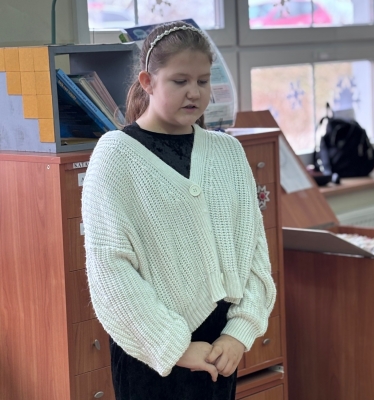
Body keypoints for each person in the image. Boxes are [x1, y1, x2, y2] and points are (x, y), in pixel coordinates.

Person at [81, 20, 276, 400]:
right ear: (148, 82)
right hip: (151, 351)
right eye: (180, 81)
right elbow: (110, 272)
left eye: (203, 81)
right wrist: (176, 347)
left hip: (221, 348)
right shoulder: (115, 156)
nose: (194, 92)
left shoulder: (228, 153)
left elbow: (254, 252)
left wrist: (240, 332)